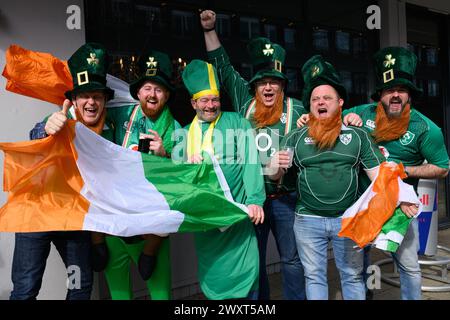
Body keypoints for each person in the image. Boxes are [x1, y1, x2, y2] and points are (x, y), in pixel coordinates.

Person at [200, 9, 305, 300]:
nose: (268, 86)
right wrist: (209, 30)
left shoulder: (299, 110)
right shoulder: (244, 102)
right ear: (254, 86)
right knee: (253, 262)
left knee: (291, 260)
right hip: (252, 201)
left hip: (286, 199)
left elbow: (327, 121)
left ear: (283, 85)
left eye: (274, 81)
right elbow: (221, 66)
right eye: (262, 82)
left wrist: (354, 120)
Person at [269, 55, 386, 300]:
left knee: (352, 276)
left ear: (340, 102)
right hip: (307, 221)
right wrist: (273, 165)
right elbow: (276, 175)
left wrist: (391, 207)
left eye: (327, 98)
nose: (320, 102)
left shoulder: (357, 136)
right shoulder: (295, 137)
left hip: (348, 220)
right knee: (314, 276)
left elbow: (379, 179)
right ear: (310, 105)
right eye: (315, 99)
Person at [342, 47, 450, 300]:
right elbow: (327, 121)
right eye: (390, 90)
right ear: (380, 94)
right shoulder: (362, 113)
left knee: (409, 266)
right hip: (362, 203)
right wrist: (345, 122)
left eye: (401, 90)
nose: (395, 95)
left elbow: (443, 167)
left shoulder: (425, 128)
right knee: (356, 266)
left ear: (410, 94)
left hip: (399, 207)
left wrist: (405, 169)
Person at [10, 43, 115, 300]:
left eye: (97, 96)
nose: (91, 102)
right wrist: (48, 128)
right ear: (74, 101)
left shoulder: (109, 132)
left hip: (71, 219)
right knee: (26, 290)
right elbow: (35, 138)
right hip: (35, 215)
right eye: (85, 96)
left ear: (104, 101)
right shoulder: (57, 120)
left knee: (80, 287)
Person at [172, 59, 265, 299]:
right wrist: (187, 169)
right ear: (193, 103)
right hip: (207, 227)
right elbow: (178, 184)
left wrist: (255, 200)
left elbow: (250, 163)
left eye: (215, 99)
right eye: (204, 100)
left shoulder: (237, 122)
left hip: (239, 219)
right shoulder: (181, 134)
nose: (211, 105)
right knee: (215, 281)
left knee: (248, 281)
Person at [100, 49, 181, 300]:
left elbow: (182, 184)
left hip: (151, 230)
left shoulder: (175, 129)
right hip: (116, 221)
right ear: (138, 92)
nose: (152, 94)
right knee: (119, 293)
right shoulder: (120, 114)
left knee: (160, 293)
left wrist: (165, 156)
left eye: (158, 89)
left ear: (166, 95)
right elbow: (89, 123)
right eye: (147, 88)